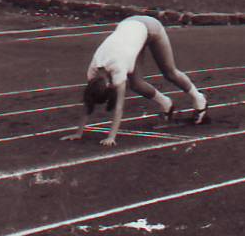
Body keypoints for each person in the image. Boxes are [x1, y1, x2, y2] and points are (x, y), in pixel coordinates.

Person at [63, 15, 209, 146]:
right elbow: (88, 101)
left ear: (109, 85)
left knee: (169, 72)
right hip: (129, 28)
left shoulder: (118, 69)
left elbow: (119, 108)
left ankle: (199, 99)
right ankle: (166, 103)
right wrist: (78, 133)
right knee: (136, 84)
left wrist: (111, 137)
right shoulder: (92, 73)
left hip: (149, 27)